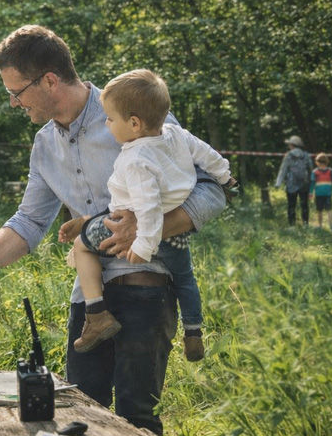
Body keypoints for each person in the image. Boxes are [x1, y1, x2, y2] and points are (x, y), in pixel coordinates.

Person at [0, 25, 231, 436]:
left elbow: (213, 190)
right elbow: (28, 223)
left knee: (136, 420)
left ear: (49, 80)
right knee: (80, 413)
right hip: (89, 302)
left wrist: (149, 227)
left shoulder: (131, 111)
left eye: (16, 92)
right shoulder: (43, 145)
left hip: (148, 286)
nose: (13, 103)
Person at [61, 69, 232, 362]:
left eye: (110, 119)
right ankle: (193, 330)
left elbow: (148, 210)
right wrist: (226, 178)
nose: (107, 123)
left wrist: (143, 246)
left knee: (81, 246)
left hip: (141, 226)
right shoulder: (176, 134)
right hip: (177, 233)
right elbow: (208, 156)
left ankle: (96, 314)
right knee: (185, 279)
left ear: (134, 123)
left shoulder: (136, 159)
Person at [276, 135, 314, 226]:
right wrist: (311, 181)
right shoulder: (306, 155)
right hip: (304, 183)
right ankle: (305, 223)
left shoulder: (288, 155)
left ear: (292, 145)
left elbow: (283, 169)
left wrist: (278, 183)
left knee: (291, 205)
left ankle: (292, 225)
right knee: (304, 204)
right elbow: (311, 169)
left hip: (291, 183)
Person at [309, 153, 332, 229]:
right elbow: (312, 183)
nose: (322, 164)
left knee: (329, 209)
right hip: (318, 194)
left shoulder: (331, 171)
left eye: (323, 162)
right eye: (320, 162)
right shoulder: (315, 172)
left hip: (328, 194)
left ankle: (331, 225)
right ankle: (320, 225)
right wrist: (311, 192)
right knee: (319, 210)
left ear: (327, 162)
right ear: (317, 162)